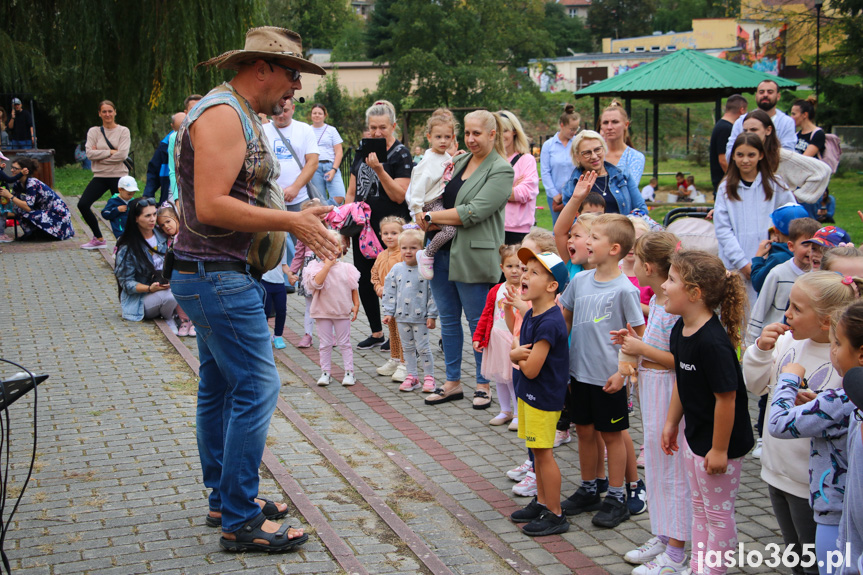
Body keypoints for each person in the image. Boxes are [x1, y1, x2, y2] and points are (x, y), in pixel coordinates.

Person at [169, 26, 339, 553]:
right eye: (292, 76)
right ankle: (240, 519)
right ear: (262, 67)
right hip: (218, 277)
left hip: (208, 275)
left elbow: (223, 200)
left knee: (219, 389)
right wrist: (292, 225)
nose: (295, 90)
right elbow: (212, 205)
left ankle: (226, 498)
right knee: (257, 388)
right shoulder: (223, 114)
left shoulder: (236, 111)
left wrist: (289, 213)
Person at [744, 272, 856, 575]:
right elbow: (755, 386)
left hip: (812, 485)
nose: (787, 314)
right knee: (796, 555)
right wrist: (760, 351)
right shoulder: (788, 341)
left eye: (796, 308)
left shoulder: (843, 360)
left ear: (824, 321)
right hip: (776, 470)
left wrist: (811, 404)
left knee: (814, 563)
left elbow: (832, 416)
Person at [662, 251, 754, 575]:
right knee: (699, 509)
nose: (663, 285)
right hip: (695, 437)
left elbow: (727, 400)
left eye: (671, 279)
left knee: (718, 515)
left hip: (720, 444)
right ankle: (698, 568)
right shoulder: (680, 329)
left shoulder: (713, 343)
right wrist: (672, 422)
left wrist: (719, 450)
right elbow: (682, 380)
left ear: (694, 293)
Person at [416, 110, 513, 409]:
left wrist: (430, 216)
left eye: (477, 134)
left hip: (473, 255)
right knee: (447, 321)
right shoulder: (457, 161)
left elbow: (473, 211)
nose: (470, 139)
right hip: (442, 251)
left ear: (493, 134)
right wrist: (424, 216)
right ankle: (452, 382)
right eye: (467, 133)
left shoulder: (501, 170)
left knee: (477, 323)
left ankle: (483, 384)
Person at [559, 214, 646, 529]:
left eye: (594, 237)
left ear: (614, 248)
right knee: (584, 430)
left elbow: (638, 337)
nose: (587, 242)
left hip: (609, 378)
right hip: (579, 374)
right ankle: (589, 488)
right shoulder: (580, 280)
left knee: (612, 436)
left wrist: (623, 373)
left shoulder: (625, 290)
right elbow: (565, 319)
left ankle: (617, 495)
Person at [614, 231, 692, 575]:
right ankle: (664, 534)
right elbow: (655, 345)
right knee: (658, 469)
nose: (629, 262)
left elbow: (682, 359)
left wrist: (641, 349)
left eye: (632, 257)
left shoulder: (676, 306)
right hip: (652, 385)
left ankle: (677, 551)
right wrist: (635, 344)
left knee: (674, 471)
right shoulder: (661, 300)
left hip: (669, 389)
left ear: (647, 266)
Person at [767, 299, 862, 575]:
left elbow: (777, 423)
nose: (832, 351)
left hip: (834, 517)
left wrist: (788, 379)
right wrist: (817, 402)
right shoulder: (843, 399)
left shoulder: (841, 397)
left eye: (837, 344)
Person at [508, 247, 571, 537]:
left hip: (542, 398)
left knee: (543, 455)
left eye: (533, 272)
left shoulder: (548, 321)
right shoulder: (535, 310)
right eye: (525, 269)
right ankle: (542, 501)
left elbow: (531, 369)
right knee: (536, 451)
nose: (524, 274)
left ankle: (555, 514)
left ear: (551, 286)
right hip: (530, 394)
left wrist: (513, 356)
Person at [346, 100, 413, 350]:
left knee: (393, 278)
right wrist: (345, 227)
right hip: (363, 229)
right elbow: (351, 192)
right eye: (372, 127)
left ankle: (397, 332)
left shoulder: (401, 153)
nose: (377, 132)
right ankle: (376, 332)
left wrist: (379, 169)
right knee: (365, 279)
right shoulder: (362, 150)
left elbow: (399, 195)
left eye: (382, 127)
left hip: (391, 230)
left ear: (393, 125)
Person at [713, 132, 796, 301]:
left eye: (751, 155)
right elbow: (723, 230)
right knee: (737, 314)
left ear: (761, 155)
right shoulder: (725, 188)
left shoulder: (776, 185)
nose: (745, 160)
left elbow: (792, 216)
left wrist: (777, 237)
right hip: (735, 264)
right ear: (733, 157)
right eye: (740, 155)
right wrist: (742, 263)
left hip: (769, 261)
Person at [747, 216, 821, 345]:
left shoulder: (818, 276)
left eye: (815, 247)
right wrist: (750, 342)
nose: (811, 251)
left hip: (802, 341)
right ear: (791, 246)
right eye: (806, 245)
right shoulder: (778, 273)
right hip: (774, 341)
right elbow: (760, 308)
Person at [382, 227, 438, 392]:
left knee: (423, 348)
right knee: (406, 348)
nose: (408, 251)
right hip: (401, 317)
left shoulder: (426, 270)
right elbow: (389, 291)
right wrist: (388, 312)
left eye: (413, 248)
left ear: (422, 250)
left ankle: (429, 377)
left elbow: (433, 294)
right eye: (404, 248)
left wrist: (432, 315)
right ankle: (412, 376)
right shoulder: (397, 269)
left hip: (421, 318)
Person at [304, 230, 361, 387]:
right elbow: (316, 284)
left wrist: (356, 305)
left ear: (339, 248)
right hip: (322, 311)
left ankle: (349, 372)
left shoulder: (347, 268)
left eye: (333, 247)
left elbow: (353, 287)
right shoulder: (314, 267)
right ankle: (325, 372)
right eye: (325, 247)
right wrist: (327, 267)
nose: (330, 251)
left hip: (341, 311)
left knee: (345, 343)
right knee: (325, 343)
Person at [473, 244, 522, 425]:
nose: (515, 271)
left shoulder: (525, 290)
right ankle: (505, 410)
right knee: (500, 378)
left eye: (519, 266)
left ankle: (518, 413)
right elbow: (487, 314)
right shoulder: (496, 290)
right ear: (502, 268)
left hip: (514, 341)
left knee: (513, 379)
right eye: (510, 266)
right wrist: (478, 336)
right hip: (497, 339)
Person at [741, 109, 831, 206]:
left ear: (768, 130)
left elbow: (822, 171)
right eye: (745, 130)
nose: (749, 134)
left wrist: (794, 198)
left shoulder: (781, 156)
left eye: (754, 130)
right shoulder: (742, 157)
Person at [113, 197, 178, 324]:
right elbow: (126, 283)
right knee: (171, 296)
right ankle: (169, 319)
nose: (153, 219)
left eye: (154, 214)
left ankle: (179, 318)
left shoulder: (163, 235)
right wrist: (149, 288)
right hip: (141, 299)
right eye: (147, 215)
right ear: (136, 218)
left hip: (166, 288)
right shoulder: (127, 246)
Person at [409, 109, 457, 280]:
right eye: (438, 137)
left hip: (440, 200)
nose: (443, 141)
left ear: (453, 137)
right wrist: (416, 210)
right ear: (429, 137)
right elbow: (417, 187)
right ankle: (427, 254)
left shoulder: (445, 156)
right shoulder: (427, 161)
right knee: (450, 230)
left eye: (447, 137)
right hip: (430, 203)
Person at [79, 100, 131, 250]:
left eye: (110, 111)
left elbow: (122, 155)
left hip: (119, 176)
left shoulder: (123, 131)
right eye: (104, 111)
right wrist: (110, 152)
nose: (107, 114)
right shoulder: (94, 131)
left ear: (115, 112)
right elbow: (89, 154)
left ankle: (124, 242)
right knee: (83, 204)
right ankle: (99, 238)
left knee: (122, 210)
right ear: (99, 114)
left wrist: (100, 156)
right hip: (100, 176)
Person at [561, 130, 647, 215]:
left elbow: (642, 209)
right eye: (587, 153)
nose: (594, 156)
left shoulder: (622, 175)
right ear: (577, 157)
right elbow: (572, 221)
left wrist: (625, 224)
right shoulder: (571, 187)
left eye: (597, 149)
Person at [0, 157, 74, 241]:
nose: (12, 170)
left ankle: (43, 234)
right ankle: (33, 234)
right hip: (44, 212)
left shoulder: (32, 183)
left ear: (25, 171)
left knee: (26, 212)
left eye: (15, 168)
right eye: (12, 168)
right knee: (18, 209)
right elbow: (14, 203)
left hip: (58, 216)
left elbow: (27, 207)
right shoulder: (18, 183)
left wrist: (9, 196)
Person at [287, 198, 327, 350]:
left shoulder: (329, 232)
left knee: (327, 304)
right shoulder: (303, 234)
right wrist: (292, 272)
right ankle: (308, 334)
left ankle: (329, 334)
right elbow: (298, 255)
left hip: (325, 272)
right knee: (310, 306)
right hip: (308, 273)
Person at [372, 216, 408, 382]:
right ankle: (394, 358)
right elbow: (374, 273)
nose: (389, 236)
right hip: (388, 302)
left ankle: (405, 363)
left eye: (394, 233)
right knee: (392, 331)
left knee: (403, 332)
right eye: (385, 233)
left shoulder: (404, 255)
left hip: (403, 301)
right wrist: (378, 286)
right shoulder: (381, 255)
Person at [725, 79, 797, 158]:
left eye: (770, 92)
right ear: (756, 95)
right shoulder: (741, 121)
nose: (765, 95)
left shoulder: (786, 122)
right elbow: (730, 153)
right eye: (761, 92)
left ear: (778, 96)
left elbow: (789, 154)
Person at [153, 202, 195, 337]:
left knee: (193, 295)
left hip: (189, 271)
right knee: (179, 296)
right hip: (175, 273)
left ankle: (194, 321)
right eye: (163, 225)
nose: (166, 227)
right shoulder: (167, 239)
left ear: (177, 219)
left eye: (168, 222)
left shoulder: (185, 235)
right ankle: (184, 320)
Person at [499, 110, 539, 245]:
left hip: (518, 231)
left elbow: (525, 193)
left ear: (514, 132)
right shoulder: (490, 160)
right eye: (497, 131)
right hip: (493, 227)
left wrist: (494, 190)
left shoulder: (526, 160)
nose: (500, 135)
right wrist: (512, 188)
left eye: (504, 130)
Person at [540, 105, 580, 224]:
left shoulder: (577, 143)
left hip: (575, 195)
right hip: (556, 198)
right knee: (558, 227)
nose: (574, 132)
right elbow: (545, 172)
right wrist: (554, 194)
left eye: (576, 129)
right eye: (571, 129)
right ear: (562, 125)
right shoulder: (549, 145)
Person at [308, 103, 346, 206]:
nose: (317, 115)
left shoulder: (331, 130)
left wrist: (334, 169)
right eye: (314, 113)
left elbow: (339, 151)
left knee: (339, 195)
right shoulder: (307, 130)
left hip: (330, 165)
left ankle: (327, 210)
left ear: (325, 115)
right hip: (314, 167)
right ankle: (327, 218)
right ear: (311, 115)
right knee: (319, 198)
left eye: (320, 113)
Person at [143, 112, 185, 205]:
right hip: (171, 189)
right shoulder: (167, 143)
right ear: (173, 127)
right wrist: (147, 196)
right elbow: (154, 171)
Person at [600, 100, 645, 184]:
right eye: (605, 122)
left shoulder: (635, 157)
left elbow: (629, 190)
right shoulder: (595, 154)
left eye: (615, 122)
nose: (609, 127)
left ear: (626, 125)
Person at [709, 94, 748, 192]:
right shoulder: (726, 129)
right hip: (726, 186)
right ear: (742, 110)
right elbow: (723, 160)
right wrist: (737, 180)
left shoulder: (721, 126)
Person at [168, 96, 203, 201]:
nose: (198, 111)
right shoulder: (175, 137)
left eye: (201, 107)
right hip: (185, 192)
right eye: (193, 108)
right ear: (186, 112)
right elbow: (174, 169)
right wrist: (177, 198)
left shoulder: (214, 134)